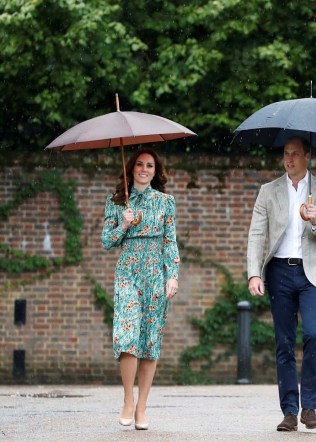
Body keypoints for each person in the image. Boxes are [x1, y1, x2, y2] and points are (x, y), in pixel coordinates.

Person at [247, 136, 316, 432]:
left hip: (313, 272)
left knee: (313, 334)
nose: (289, 159)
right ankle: (289, 411)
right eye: (286, 154)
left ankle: (309, 407)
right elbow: (256, 235)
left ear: (307, 157)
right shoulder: (268, 191)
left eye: (295, 154)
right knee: (284, 341)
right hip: (279, 272)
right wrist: (253, 273)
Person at [101, 147, 180, 431]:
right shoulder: (116, 201)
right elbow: (107, 241)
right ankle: (127, 400)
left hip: (155, 274)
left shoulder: (165, 202)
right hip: (127, 274)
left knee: (149, 340)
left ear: (155, 171)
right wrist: (123, 223)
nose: (144, 169)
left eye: (149, 165)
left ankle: (142, 408)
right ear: (132, 168)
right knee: (127, 334)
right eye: (139, 165)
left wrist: (173, 276)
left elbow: (170, 241)